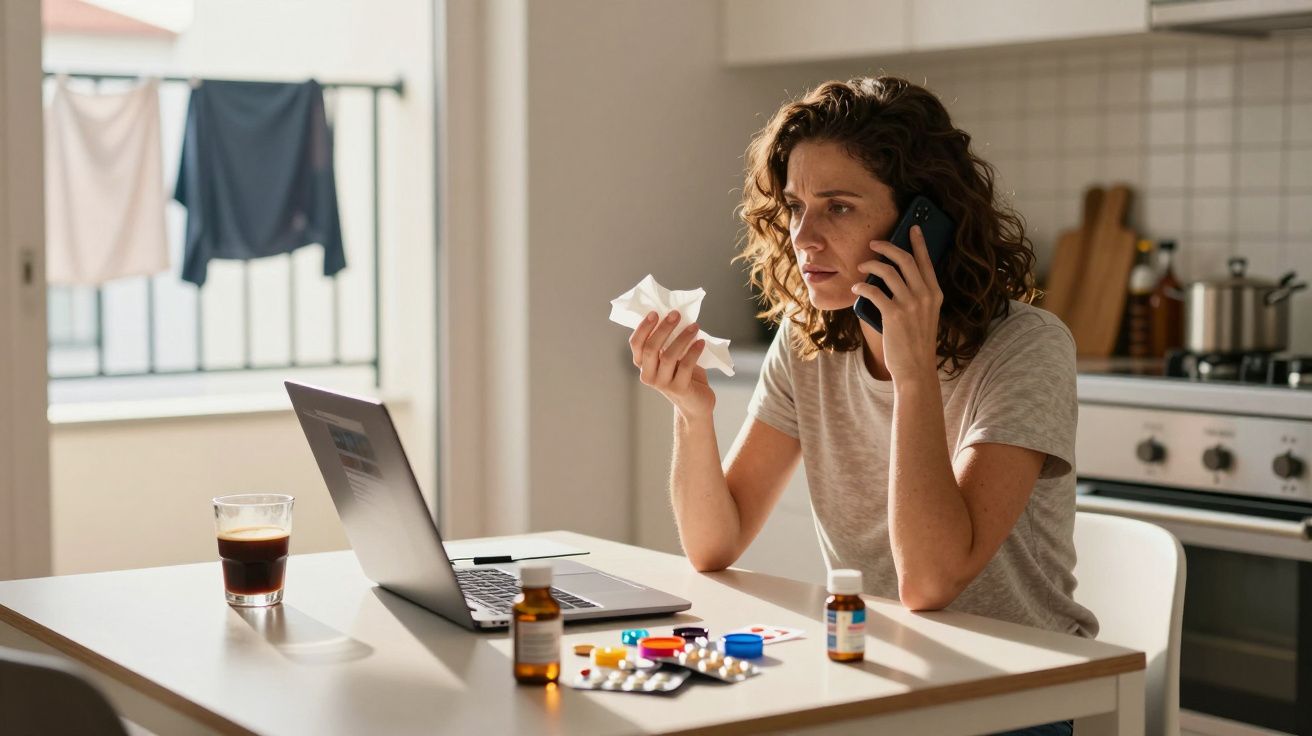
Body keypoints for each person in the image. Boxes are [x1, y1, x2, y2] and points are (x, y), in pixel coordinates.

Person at [628, 77, 1097, 736]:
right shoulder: (809, 340)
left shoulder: (1026, 348)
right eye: (794, 206)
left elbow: (930, 583)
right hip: (880, 674)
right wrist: (690, 412)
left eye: (838, 208)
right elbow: (714, 543)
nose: (803, 237)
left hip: (1016, 693)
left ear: (922, 224)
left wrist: (913, 373)